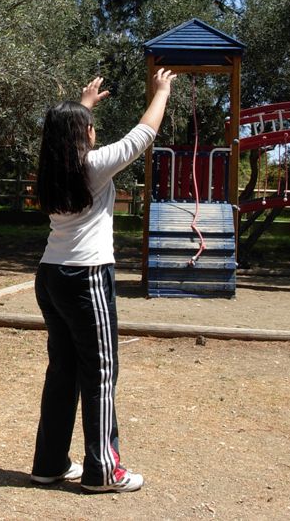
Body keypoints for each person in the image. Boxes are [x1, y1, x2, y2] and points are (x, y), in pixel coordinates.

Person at [30, 69, 175, 493]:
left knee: (63, 371)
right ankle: (103, 470)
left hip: (51, 274)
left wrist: (83, 106)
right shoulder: (93, 166)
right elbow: (143, 134)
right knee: (100, 372)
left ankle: (50, 464)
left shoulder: (51, 169)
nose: (94, 132)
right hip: (86, 276)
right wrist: (162, 91)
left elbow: (67, 137)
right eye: (89, 127)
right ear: (84, 135)